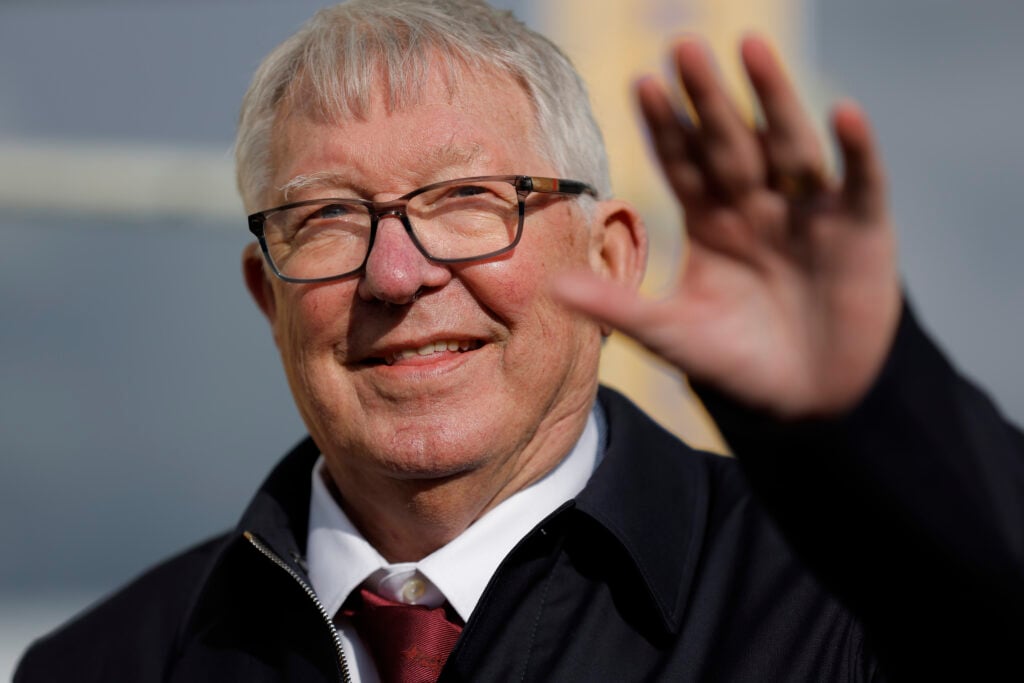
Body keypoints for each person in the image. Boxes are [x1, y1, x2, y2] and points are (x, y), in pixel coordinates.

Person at [15, 1, 1023, 681]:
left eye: (466, 200)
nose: (395, 274)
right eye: (326, 219)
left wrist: (875, 406)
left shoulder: (824, 609)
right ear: (265, 294)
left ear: (613, 255)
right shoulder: (102, 664)